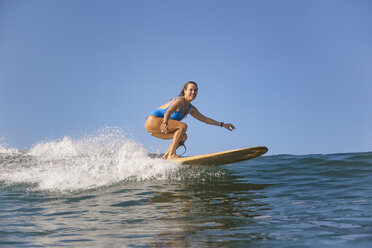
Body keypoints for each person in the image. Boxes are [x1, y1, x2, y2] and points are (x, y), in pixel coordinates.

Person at [145, 81, 236, 160]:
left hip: (155, 129)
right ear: (185, 91)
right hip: (153, 121)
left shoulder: (191, 109)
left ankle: (165, 157)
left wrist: (222, 124)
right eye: (191, 90)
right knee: (183, 126)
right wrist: (165, 123)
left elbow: (205, 119)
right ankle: (171, 155)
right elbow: (167, 112)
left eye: (195, 90)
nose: (193, 92)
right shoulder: (179, 100)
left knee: (183, 137)